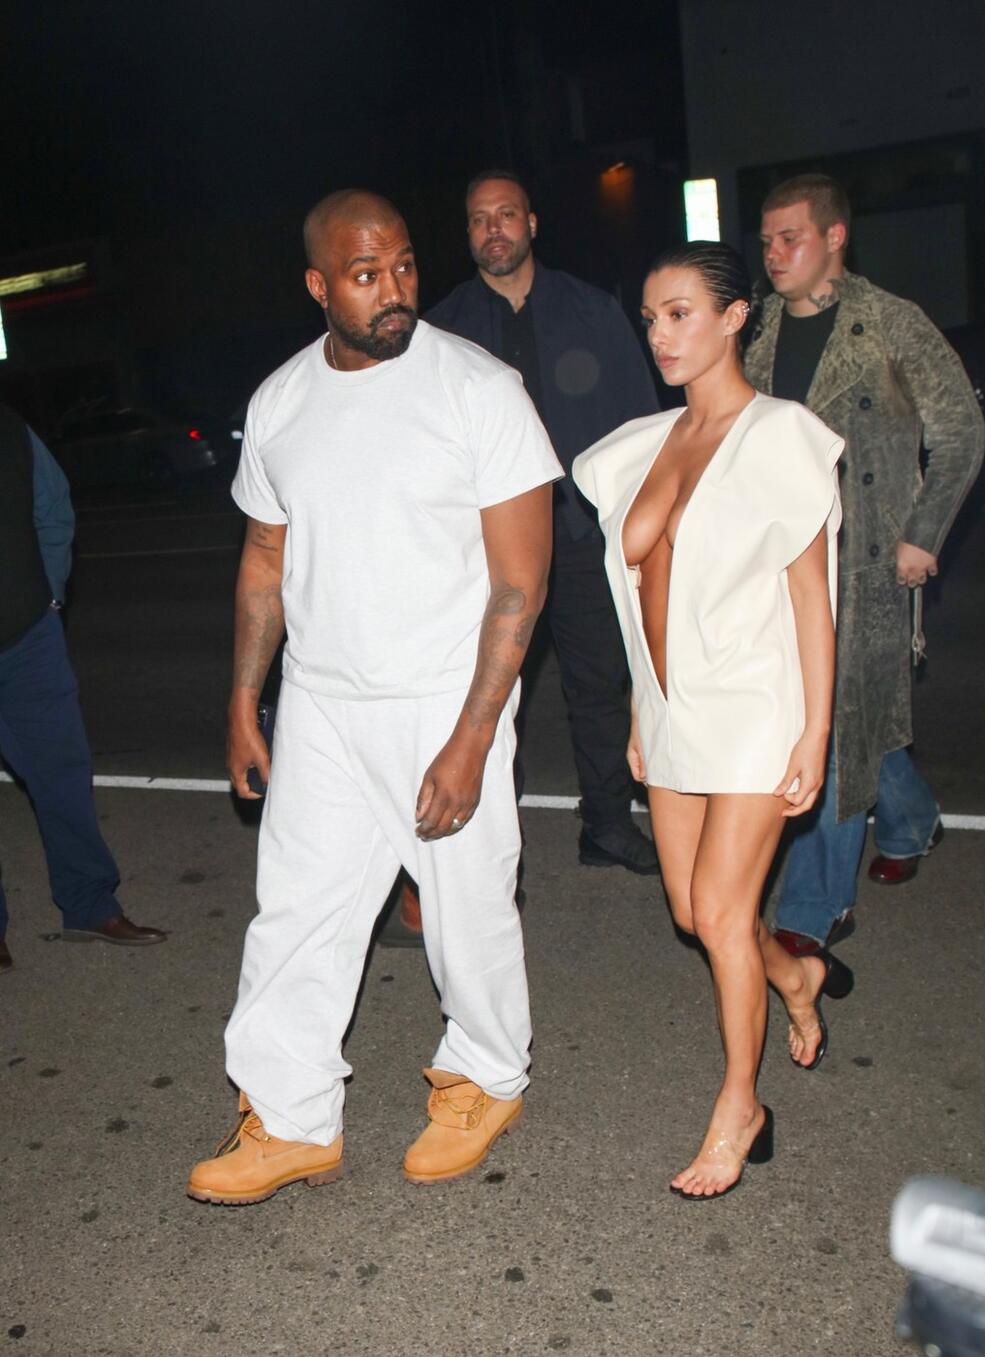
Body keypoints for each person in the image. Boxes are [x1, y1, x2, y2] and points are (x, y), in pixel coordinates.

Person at [187, 190, 562, 1205]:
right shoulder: (280, 402)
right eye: (365, 275)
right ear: (319, 285)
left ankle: (487, 1076)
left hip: (444, 693)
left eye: (402, 266)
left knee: (465, 909)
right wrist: (244, 700)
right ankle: (290, 1115)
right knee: (295, 912)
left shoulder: (477, 389)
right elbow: (265, 561)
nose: (394, 289)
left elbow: (520, 581)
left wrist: (472, 736)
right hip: (319, 701)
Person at [573, 243, 852, 1199]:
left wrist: (814, 732)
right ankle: (794, 976)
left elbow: (812, 599)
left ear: (736, 317)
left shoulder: (779, 436)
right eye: (651, 317)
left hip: (754, 707)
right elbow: (639, 593)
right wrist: (640, 709)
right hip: (672, 710)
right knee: (694, 912)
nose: (660, 334)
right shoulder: (646, 443)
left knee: (725, 912)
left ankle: (741, 1105)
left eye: (681, 313)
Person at [747, 174, 985, 956]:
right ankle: (912, 819)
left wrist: (924, 531)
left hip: (869, 561)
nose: (774, 253)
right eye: (768, 239)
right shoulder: (760, 327)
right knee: (851, 711)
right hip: (787, 554)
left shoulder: (889, 321)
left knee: (838, 721)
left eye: (791, 238)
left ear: (834, 237)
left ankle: (814, 907)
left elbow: (960, 429)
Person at [426, 170, 661, 877]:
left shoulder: (592, 310)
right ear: (467, 234)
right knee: (492, 695)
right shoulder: (441, 331)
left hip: (583, 534)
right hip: (489, 548)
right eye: (478, 219)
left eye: (505, 214)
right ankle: (492, 857)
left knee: (600, 685)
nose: (492, 229)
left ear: (531, 223)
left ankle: (607, 825)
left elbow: (642, 427)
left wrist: (639, 532)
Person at [0, 405, 166, 971]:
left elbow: (52, 507)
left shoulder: (9, 428)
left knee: (63, 776)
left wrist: (47, 599)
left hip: (26, 642)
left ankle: (90, 906)